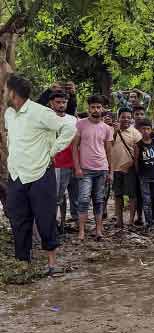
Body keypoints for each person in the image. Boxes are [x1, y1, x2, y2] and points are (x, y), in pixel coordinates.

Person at [3, 73, 75, 273]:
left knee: (45, 217)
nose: (4, 93)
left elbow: (68, 128)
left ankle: (51, 263)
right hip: (17, 174)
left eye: (5, 89)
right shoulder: (9, 113)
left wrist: (52, 150)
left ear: (13, 92)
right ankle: (23, 262)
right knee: (18, 219)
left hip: (40, 173)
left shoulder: (40, 112)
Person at [72, 95, 114, 241]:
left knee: (98, 199)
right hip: (85, 170)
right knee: (83, 199)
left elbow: (109, 151)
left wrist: (110, 171)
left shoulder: (107, 128)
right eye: (93, 107)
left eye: (98, 107)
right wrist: (77, 168)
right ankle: (82, 232)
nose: (95, 110)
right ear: (88, 108)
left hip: (102, 169)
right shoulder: (81, 124)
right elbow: (74, 147)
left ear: (102, 109)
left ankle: (99, 230)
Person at [48, 91, 79, 233]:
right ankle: (53, 225)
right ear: (51, 103)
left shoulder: (73, 119)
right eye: (58, 102)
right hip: (57, 163)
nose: (61, 105)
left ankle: (66, 223)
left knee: (74, 195)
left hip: (74, 162)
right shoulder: (46, 119)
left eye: (64, 102)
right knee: (57, 196)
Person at [109, 107, 142, 227]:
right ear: (118, 118)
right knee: (118, 195)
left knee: (132, 195)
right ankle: (119, 220)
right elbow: (108, 145)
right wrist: (115, 131)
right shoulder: (111, 130)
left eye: (129, 117)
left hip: (130, 169)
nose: (126, 119)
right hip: (115, 168)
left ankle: (131, 220)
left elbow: (139, 152)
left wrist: (131, 165)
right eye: (123, 117)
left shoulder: (135, 133)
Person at [134, 119, 154, 230]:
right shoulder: (138, 145)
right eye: (144, 129)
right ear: (140, 130)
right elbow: (136, 161)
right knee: (146, 200)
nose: (146, 131)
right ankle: (149, 222)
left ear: (151, 130)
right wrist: (139, 174)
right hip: (144, 176)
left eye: (148, 129)